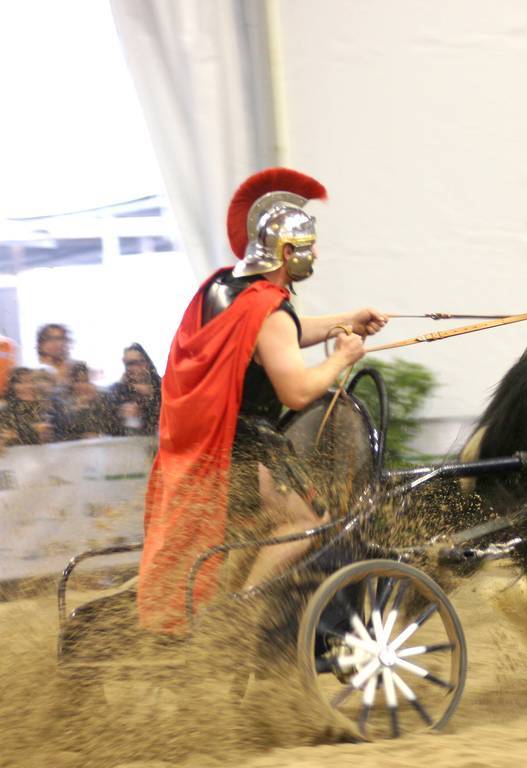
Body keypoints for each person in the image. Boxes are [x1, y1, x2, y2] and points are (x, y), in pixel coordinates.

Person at [138, 168, 389, 633]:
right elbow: (295, 389)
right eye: (308, 247)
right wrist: (343, 358)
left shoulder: (224, 287)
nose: (314, 255)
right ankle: (240, 609)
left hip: (209, 446)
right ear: (287, 252)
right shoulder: (268, 309)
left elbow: (279, 336)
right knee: (308, 521)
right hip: (246, 448)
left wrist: (345, 320)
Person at [107, 344, 162, 436]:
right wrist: (121, 414)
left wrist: (148, 399)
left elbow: (169, 417)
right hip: (128, 443)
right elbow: (108, 425)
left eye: (134, 363)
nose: (130, 368)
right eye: (127, 364)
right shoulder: (118, 389)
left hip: (158, 442)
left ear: (146, 363)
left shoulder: (161, 387)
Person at [54, 361, 111, 441]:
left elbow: (111, 427)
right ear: (71, 384)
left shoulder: (104, 399)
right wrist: (77, 411)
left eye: (86, 381)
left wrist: (95, 404)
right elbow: (60, 433)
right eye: (78, 382)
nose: (83, 386)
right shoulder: (62, 403)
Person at [0, 367, 55, 446]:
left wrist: (46, 435)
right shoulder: (7, 410)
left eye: (32, 381)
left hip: (44, 454)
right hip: (17, 455)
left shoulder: (45, 406)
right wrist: (33, 431)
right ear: (13, 386)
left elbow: (54, 436)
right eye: (22, 382)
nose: (28, 386)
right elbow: (6, 437)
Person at [35, 323, 76, 393]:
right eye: (49, 339)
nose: (56, 343)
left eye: (60, 339)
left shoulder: (78, 369)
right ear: (40, 344)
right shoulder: (31, 373)